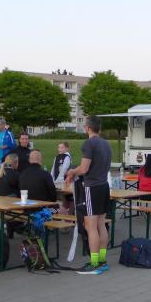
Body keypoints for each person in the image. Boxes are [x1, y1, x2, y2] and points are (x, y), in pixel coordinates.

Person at [65, 116, 112, 275]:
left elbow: (84, 168)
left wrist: (72, 171)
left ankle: (94, 263)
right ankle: (102, 261)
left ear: (87, 128)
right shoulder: (106, 144)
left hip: (92, 187)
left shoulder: (89, 143)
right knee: (101, 224)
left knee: (90, 226)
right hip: (104, 185)